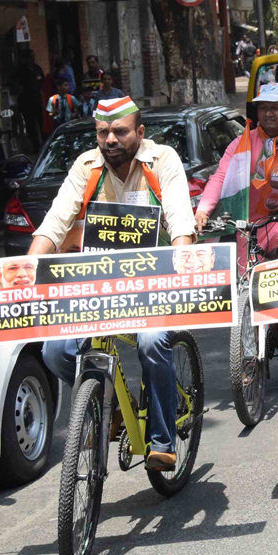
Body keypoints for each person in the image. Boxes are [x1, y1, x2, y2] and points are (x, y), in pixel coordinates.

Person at [31, 96, 197, 470]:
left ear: (139, 132)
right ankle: (110, 404)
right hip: (100, 284)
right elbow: (54, 224)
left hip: (154, 280)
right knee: (55, 351)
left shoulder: (162, 160)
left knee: (152, 342)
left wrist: (183, 266)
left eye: (120, 131)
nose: (110, 140)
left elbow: (180, 220)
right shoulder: (86, 166)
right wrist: (25, 271)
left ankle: (162, 439)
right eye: (103, 132)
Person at [196, 83, 278, 254]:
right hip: (254, 222)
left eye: (275, 108)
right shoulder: (242, 143)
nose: (268, 114)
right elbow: (220, 177)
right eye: (263, 108)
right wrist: (203, 210)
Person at [14, 50, 44, 149]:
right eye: (30, 57)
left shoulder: (37, 68)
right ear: (25, 59)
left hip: (38, 100)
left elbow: (43, 82)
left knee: (42, 123)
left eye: (33, 56)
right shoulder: (20, 71)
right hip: (26, 102)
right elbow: (14, 83)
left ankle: (45, 143)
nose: (33, 58)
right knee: (30, 125)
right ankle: (36, 146)